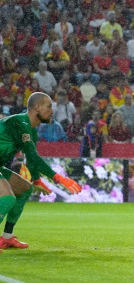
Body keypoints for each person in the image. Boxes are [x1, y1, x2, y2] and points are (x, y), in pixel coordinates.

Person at [0, 92, 81, 250]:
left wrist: (36, 180)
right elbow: (33, 156)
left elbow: (31, 159)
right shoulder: (19, 123)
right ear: (37, 107)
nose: (52, 111)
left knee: (25, 189)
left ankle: (6, 237)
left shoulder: (31, 131)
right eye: (49, 106)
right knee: (8, 199)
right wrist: (57, 178)